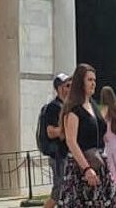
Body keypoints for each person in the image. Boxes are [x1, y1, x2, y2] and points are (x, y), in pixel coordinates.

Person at [58, 63, 116, 207]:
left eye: (94, 80)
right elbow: (71, 141)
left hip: (100, 163)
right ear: (80, 82)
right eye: (89, 80)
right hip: (82, 167)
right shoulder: (73, 109)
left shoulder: (93, 105)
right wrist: (86, 169)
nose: (93, 83)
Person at [44, 72, 72, 208]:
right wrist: (66, 130)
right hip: (58, 155)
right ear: (60, 88)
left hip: (67, 153)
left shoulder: (68, 106)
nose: (71, 88)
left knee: (66, 191)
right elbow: (50, 132)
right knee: (58, 192)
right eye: (68, 85)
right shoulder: (53, 107)